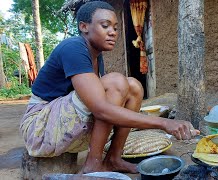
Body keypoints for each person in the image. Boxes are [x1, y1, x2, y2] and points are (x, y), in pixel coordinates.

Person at [20, 1, 199, 174]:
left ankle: (113, 158)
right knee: (116, 82)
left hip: (62, 124)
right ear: (84, 27)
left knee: (134, 86)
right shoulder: (73, 47)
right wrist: (164, 123)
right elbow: (101, 109)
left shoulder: (96, 55)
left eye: (115, 27)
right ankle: (93, 164)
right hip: (39, 127)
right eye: (105, 26)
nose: (113, 32)